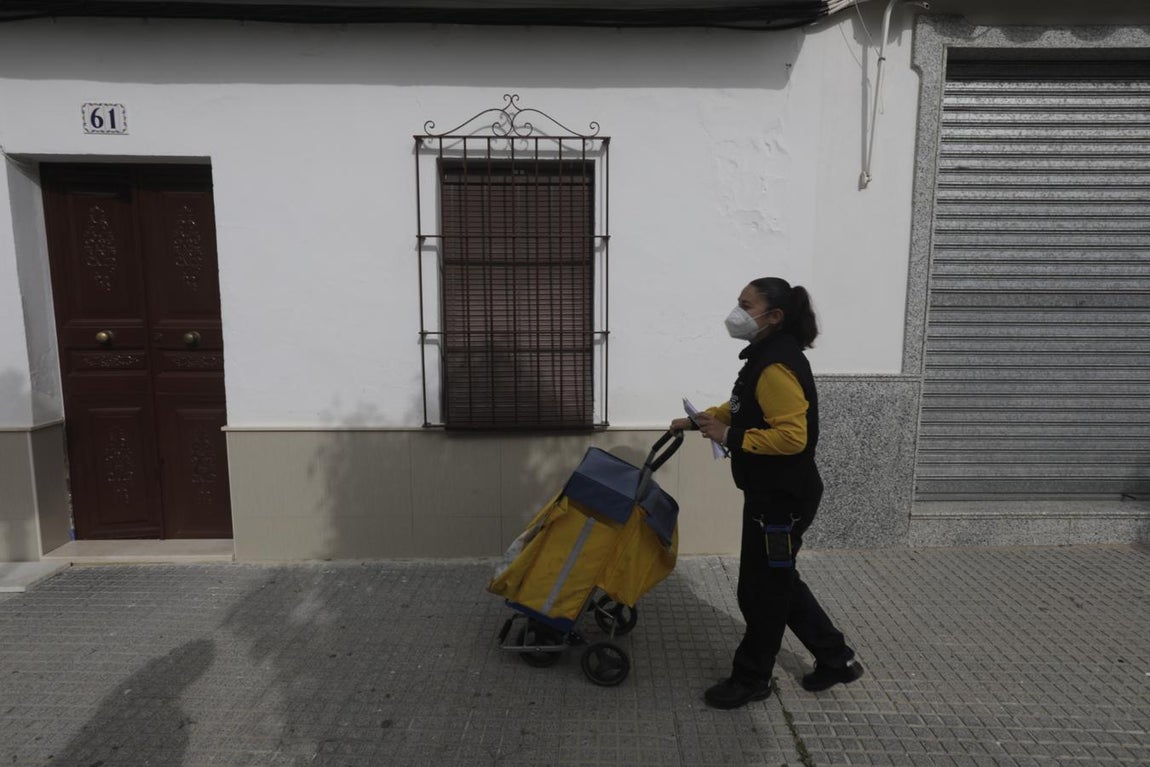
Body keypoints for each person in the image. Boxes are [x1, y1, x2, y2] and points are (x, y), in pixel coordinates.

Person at [670, 277, 863, 710]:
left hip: (782, 501)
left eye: (745, 304)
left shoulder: (777, 365)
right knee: (777, 581)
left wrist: (732, 436)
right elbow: (743, 406)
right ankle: (836, 659)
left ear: (773, 316)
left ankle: (752, 678)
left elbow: (793, 437)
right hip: (770, 496)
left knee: (762, 591)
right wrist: (702, 419)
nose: (736, 312)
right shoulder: (765, 358)